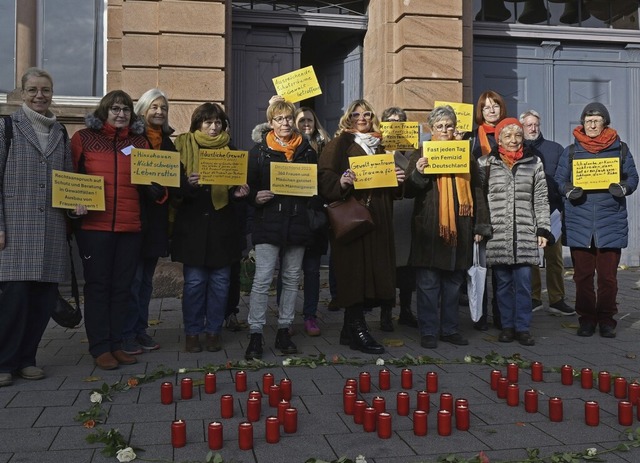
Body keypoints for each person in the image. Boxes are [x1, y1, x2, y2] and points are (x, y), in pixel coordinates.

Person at [0, 68, 86, 387]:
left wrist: (76, 206)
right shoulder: (7, 127)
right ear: (23, 93)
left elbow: (66, 179)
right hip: (16, 229)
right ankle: (4, 362)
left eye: (46, 90)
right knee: (14, 301)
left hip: (50, 228)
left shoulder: (59, 132)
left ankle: (27, 360)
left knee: (41, 300)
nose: (40, 95)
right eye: (34, 90)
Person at [72, 90, 156, 370]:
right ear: (104, 111)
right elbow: (68, 179)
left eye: (126, 110)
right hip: (94, 226)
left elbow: (157, 181)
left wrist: (157, 189)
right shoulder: (83, 139)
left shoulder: (139, 142)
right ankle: (100, 348)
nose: (121, 114)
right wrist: (73, 206)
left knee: (122, 288)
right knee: (98, 288)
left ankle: (117, 343)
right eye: (115, 109)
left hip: (130, 227)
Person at [318, 99, 405, 354]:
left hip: (378, 218)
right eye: (356, 114)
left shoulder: (381, 146)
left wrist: (398, 180)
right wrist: (342, 182)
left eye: (367, 113)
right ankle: (358, 329)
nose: (362, 118)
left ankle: (349, 330)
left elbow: (391, 184)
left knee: (371, 272)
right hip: (353, 216)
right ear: (348, 117)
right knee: (353, 272)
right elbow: (324, 175)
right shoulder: (341, 143)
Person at [405, 105, 490, 349]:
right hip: (430, 227)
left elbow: (476, 189)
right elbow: (407, 191)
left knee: (453, 284)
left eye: (449, 126)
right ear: (431, 128)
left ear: (455, 128)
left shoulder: (464, 153)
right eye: (439, 126)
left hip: (461, 228)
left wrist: (480, 226)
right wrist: (418, 173)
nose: (444, 130)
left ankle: (450, 329)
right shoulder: (421, 151)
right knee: (428, 283)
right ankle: (429, 331)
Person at [555, 102, 638, 338]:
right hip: (579, 223)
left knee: (608, 278)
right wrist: (569, 190)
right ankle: (586, 319)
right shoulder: (571, 151)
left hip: (610, 222)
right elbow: (559, 180)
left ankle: (607, 319)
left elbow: (633, 177)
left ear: (605, 123)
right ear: (582, 123)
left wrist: (623, 188)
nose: (592, 124)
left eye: (597, 120)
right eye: (588, 120)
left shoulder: (620, 149)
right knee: (582, 277)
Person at [171, 103, 249, 353]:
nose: (213, 127)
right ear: (197, 124)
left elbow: (237, 193)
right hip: (192, 228)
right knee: (194, 284)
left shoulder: (232, 150)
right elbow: (171, 187)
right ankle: (192, 333)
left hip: (222, 230)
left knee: (220, 283)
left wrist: (239, 194)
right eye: (208, 122)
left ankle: (213, 331)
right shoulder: (182, 146)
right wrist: (187, 185)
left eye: (217, 122)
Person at [245, 100, 317, 359]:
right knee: (263, 279)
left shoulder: (307, 151)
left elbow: (315, 189)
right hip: (268, 224)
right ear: (271, 123)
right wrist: (255, 196)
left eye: (288, 118)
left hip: (297, 223)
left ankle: (284, 329)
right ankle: (255, 333)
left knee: (290, 279)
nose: (285, 123)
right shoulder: (259, 152)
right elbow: (247, 188)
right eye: (279, 119)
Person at [478, 117, 552, 346]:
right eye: (507, 136)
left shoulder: (534, 163)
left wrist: (542, 228)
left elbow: (540, 198)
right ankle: (506, 326)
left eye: (517, 135)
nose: (513, 140)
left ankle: (522, 327)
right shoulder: (486, 164)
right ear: (498, 138)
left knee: (523, 284)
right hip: (498, 234)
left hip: (525, 233)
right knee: (501, 285)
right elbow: (479, 198)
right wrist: (480, 227)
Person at [122, 88, 173, 354]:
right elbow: (122, 171)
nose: (159, 112)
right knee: (133, 278)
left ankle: (140, 329)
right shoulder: (130, 139)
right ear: (142, 109)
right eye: (154, 107)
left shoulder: (168, 142)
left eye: (163, 108)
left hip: (156, 220)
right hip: (133, 218)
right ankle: (127, 332)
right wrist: (144, 187)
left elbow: (175, 179)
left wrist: (175, 187)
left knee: (146, 281)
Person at [519, 109, 575, 316]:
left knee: (555, 259)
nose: (533, 128)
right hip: (527, 212)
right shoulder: (518, 149)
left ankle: (557, 299)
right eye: (528, 125)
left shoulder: (555, 149)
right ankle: (534, 297)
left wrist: (562, 209)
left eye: (536, 124)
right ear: (522, 127)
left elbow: (564, 179)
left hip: (552, 212)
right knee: (531, 258)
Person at [471, 90, 508, 331]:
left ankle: (502, 315)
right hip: (482, 206)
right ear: (480, 112)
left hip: (505, 204)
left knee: (503, 266)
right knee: (482, 263)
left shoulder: (512, 133)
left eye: (495, 106)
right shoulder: (472, 138)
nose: (491, 110)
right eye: (486, 107)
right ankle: (480, 315)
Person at [380, 106, 418, 331]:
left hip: (409, 214)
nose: (396, 124)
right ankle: (386, 312)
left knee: (407, 269)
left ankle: (405, 310)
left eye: (400, 121)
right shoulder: (379, 149)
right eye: (391, 121)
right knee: (388, 267)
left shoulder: (415, 150)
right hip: (388, 212)